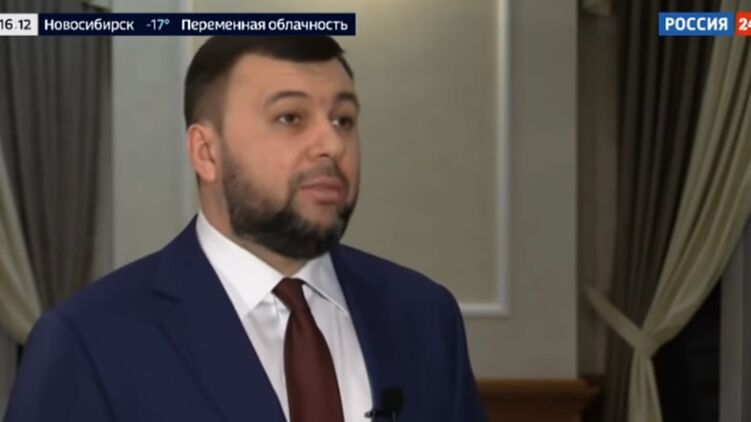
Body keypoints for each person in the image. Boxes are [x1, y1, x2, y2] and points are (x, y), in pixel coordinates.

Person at [4, 36, 486, 422]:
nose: (331, 144)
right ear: (206, 153)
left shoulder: (424, 316)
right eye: (290, 118)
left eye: (343, 119)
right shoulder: (89, 341)